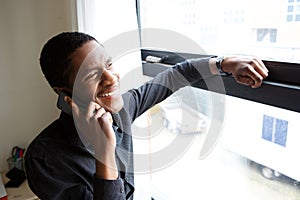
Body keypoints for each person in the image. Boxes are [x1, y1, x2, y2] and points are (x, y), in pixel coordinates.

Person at [24, 31, 268, 200]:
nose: (112, 79)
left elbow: (174, 76)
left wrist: (224, 62)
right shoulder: (44, 159)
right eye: (91, 76)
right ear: (64, 92)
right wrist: (104, 153)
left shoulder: (121, 109)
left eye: (108, 65)